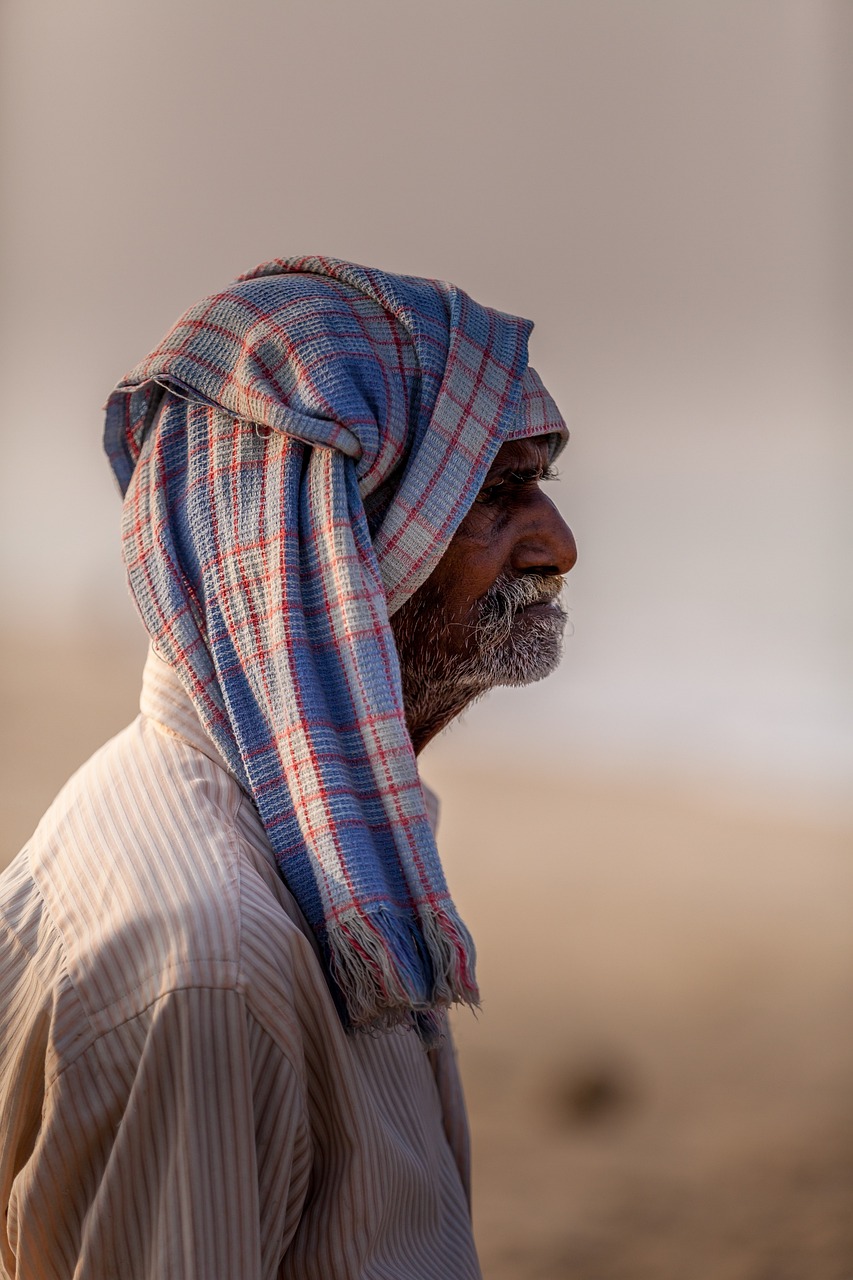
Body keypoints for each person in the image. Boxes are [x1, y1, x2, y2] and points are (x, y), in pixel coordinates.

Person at [0, 256, 576, 1279]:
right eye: (495, 493)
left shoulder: (290, 851)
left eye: (541, 485)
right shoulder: (213, 969)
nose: (559, 545)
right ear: (323, 543)